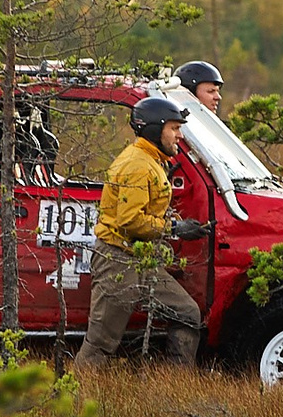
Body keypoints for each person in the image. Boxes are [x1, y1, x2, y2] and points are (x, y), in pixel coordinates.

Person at [73, 94, 211, 371]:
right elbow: (131, 221)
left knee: (186, 313)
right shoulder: (138, 165)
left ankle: (175, 388)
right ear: (153, 129)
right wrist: (175, 229)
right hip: (118, 262)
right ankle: (73, 402)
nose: (179, 136)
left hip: (139, 259)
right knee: (101, 342)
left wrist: (173, 222)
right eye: (174, 128)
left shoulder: (151, 160)